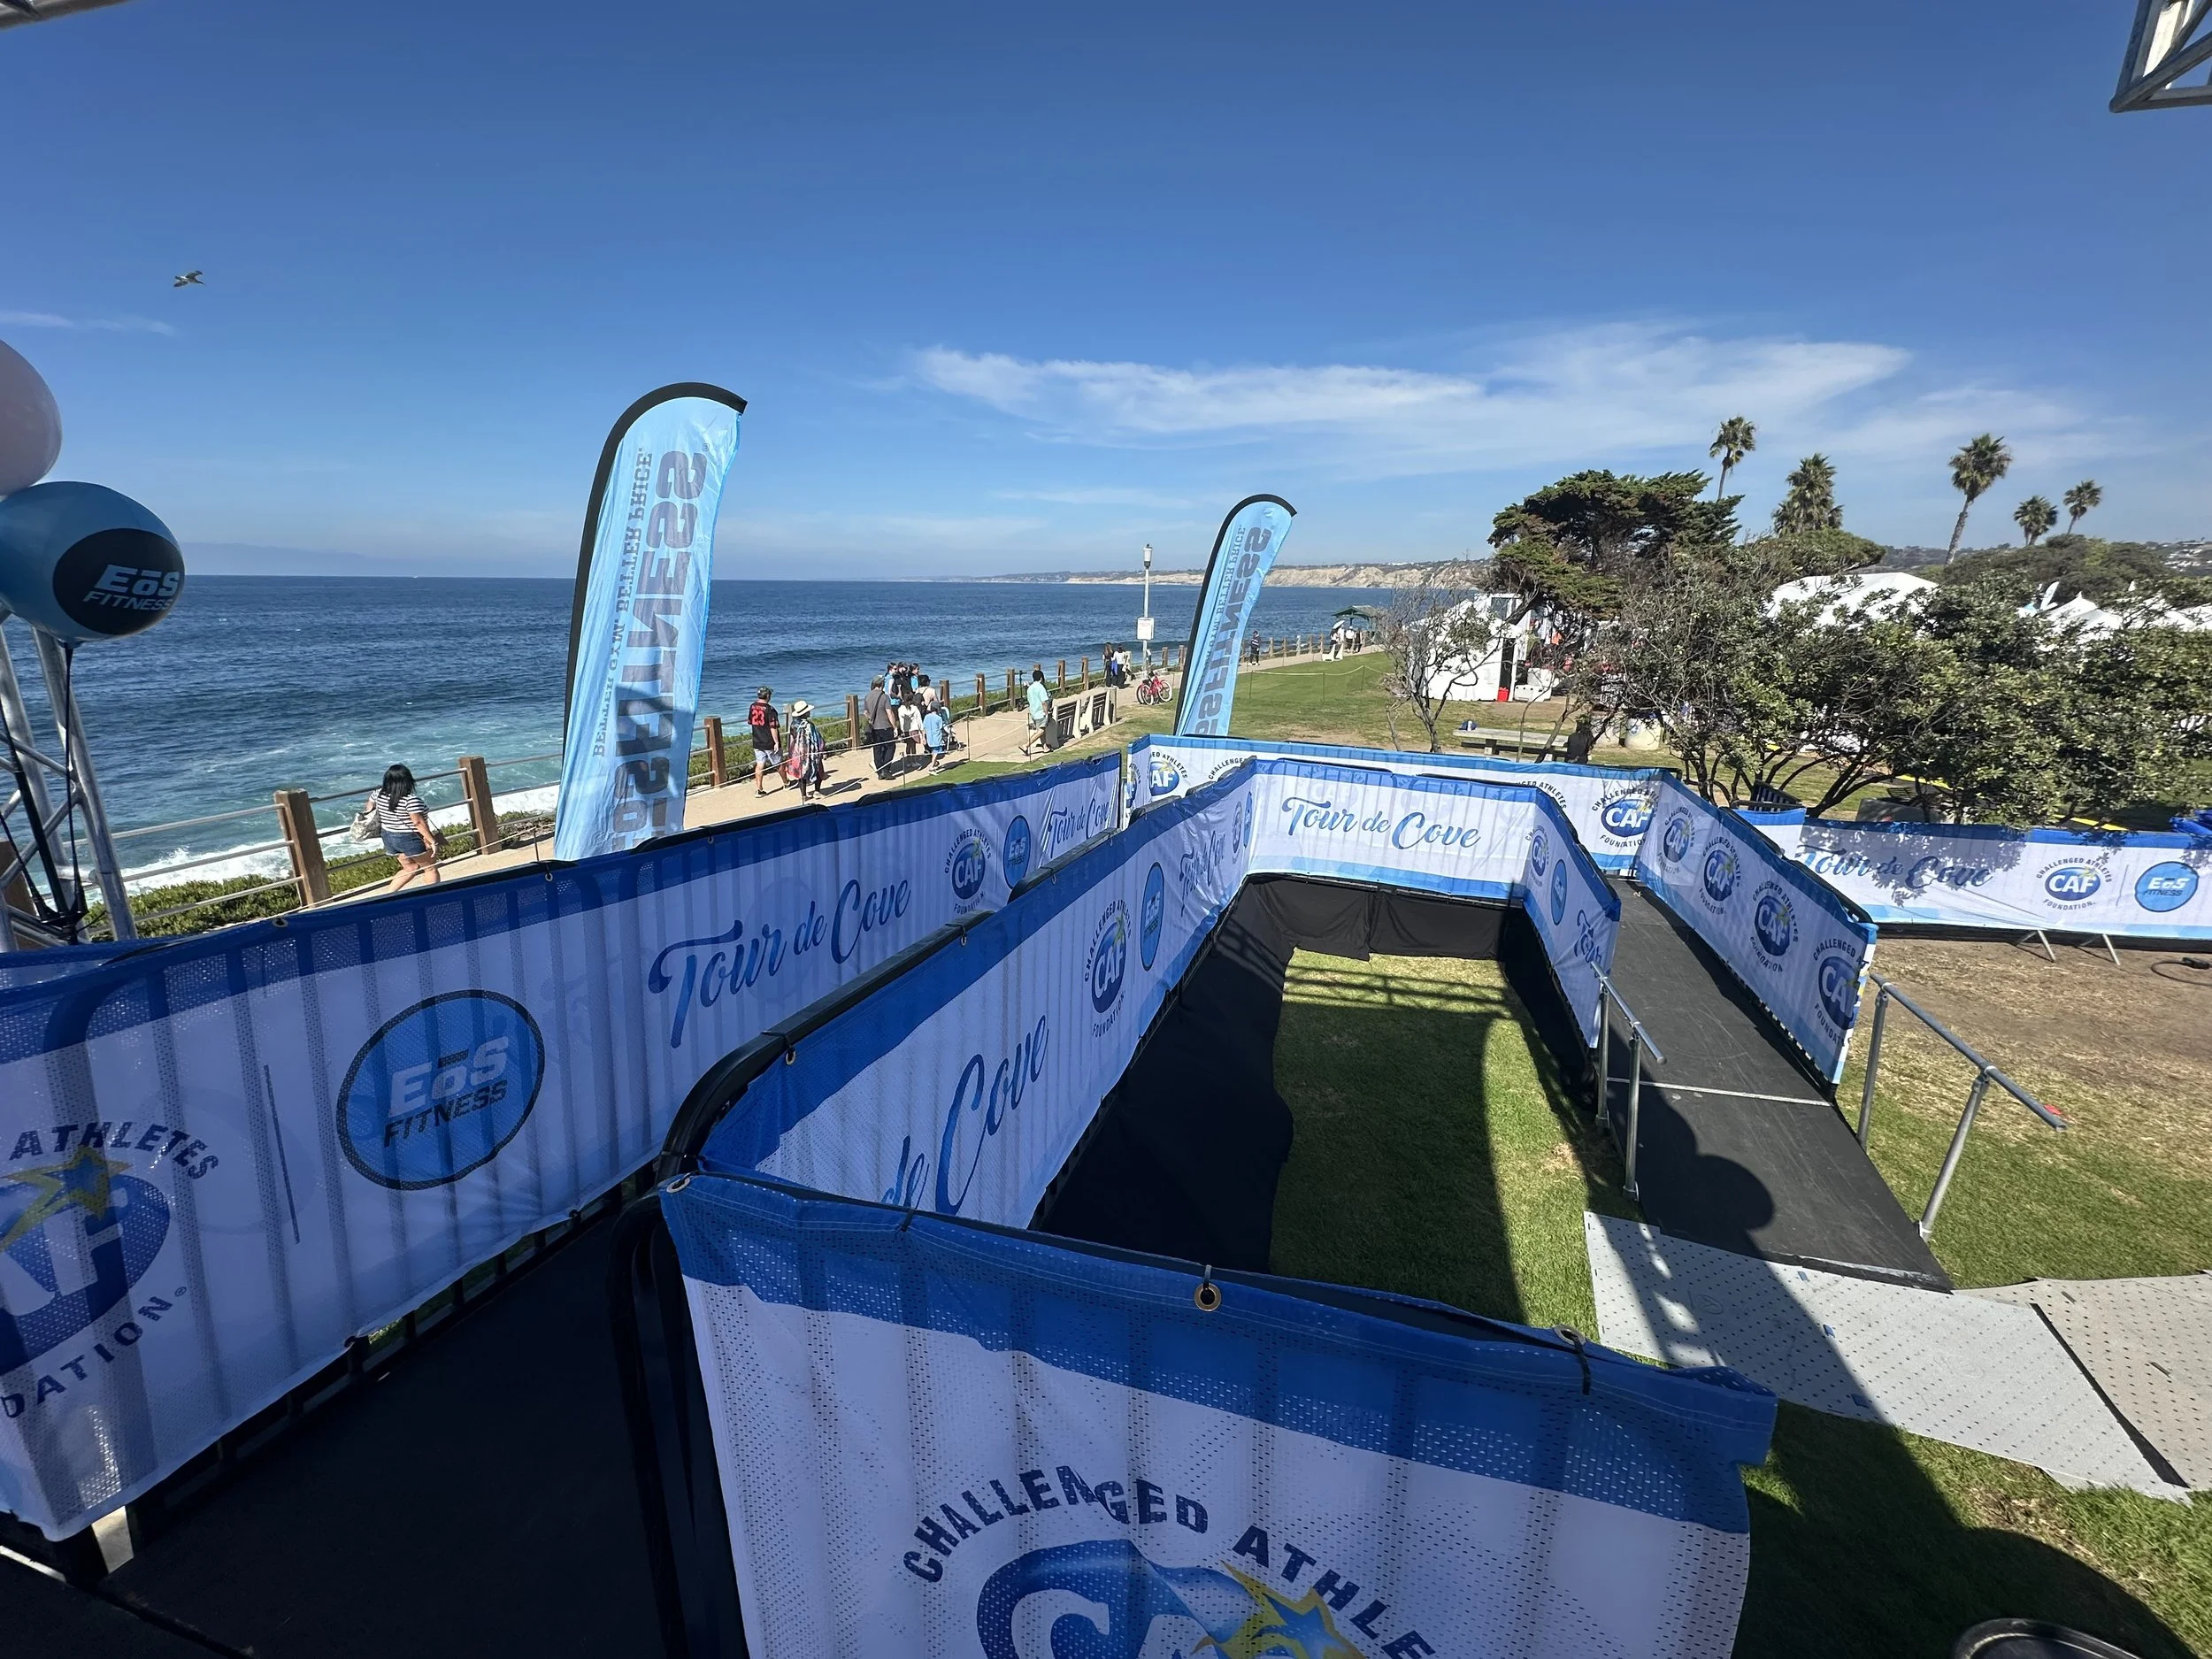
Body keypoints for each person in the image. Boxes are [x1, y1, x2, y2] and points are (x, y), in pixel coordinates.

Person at [368, 764, 439, 893]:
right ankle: (433, 897)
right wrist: (431, 841)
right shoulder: (410, 800)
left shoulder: (378, 794)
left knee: (410, 868)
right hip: (409, 838)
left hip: (388, 836)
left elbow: (369, 810)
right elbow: (418, 823)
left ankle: (389, 895)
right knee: (430, 868)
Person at [782, 701, 826, 799]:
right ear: (804, 713)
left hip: (797, 751)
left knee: (801, 772)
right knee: (818, 769)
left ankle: (804, 795)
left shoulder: (793, 724)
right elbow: (817, 739)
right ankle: (817, 791)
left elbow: (794, 736)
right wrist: (822, 748)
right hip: (810, 751)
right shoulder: (809, 725)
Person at [747, 685, 781, 796]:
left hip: (757, 740)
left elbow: (750, 722)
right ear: (767, 696)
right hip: (769, 742)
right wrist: (776, 742)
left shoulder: (752, 706)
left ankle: (759, 789)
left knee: (760, 764)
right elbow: (773, 727)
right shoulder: (770, 709)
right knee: (779, 763)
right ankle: (786, 783)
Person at [863, 675, 896, 779]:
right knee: (890, 747)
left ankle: (879, 770)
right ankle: (886, 770)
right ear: (882, 684)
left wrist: (871, 719)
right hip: (885, 726)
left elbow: (866, 713)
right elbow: (889, 712)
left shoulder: (867, 696)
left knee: (877, 748)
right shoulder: (884, 697)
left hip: (874, 727)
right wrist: (894, 726)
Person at [1021, 666, 1050, 757]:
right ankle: (1026, 745)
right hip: (1040, 712)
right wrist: (1046, 712)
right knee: (1041, 731)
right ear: (1041, 678)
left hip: (1033, 713)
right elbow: (1044, 702)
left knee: (1041, 730)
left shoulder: (1030, 688)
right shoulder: (1041, 687)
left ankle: (1045, 747)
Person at [922, 700, 949, 772]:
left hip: (929, 738)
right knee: (936, 752)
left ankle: (934, 764)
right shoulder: (939, 718)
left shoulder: (926, 717)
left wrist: (923, 738)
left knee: (933, 751)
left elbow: (923, 728)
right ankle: (932, 767)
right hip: (937, 737)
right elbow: (941, 728)